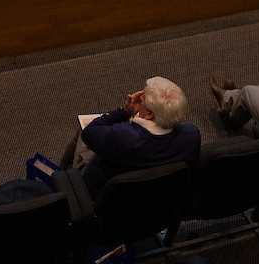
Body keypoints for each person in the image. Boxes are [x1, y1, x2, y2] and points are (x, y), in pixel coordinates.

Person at [66, 75, 201, 198]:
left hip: (106, 198)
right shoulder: (191, 136)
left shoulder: (121, 137)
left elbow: (89, 132)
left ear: (150, 114)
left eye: (142, 99)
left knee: (81, 132)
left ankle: (64, 180)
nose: (139, 98)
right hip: (158, 200)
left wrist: (124, 112)